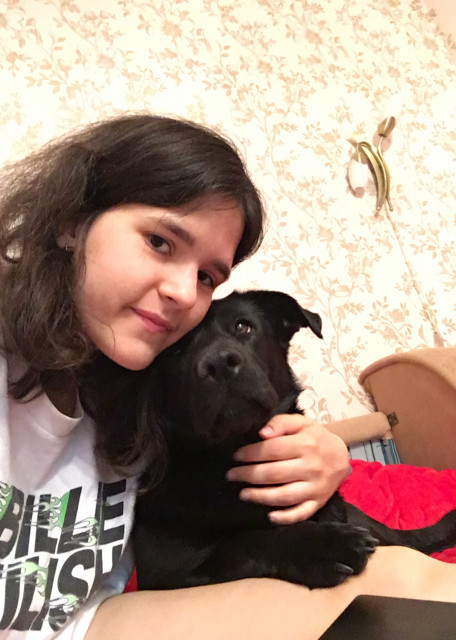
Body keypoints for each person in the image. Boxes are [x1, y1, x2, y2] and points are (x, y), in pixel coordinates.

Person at [0, 114, 455, 640]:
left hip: (90, 623)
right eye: (160, 242)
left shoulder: (135, 391)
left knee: (407, 585)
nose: (183, 293)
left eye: (206, 276)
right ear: (72, 222)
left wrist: (329, 454)